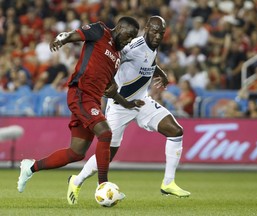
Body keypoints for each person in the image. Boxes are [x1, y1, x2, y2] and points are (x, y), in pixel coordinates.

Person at [67, 16, 191, 205]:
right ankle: (76, 181)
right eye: (155, 31)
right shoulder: (132, 47)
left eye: (161, 33)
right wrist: (108, 85)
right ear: (147, 28)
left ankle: (168, 183)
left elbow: (147, 62)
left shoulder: (152, 46)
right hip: (120, 106)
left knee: (176, 131)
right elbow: (113, 55)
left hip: (142, 102)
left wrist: (161, 73)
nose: (158, 36)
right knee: (108, 155)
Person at [17, 17, 143, 197]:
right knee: (105, 133)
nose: (129, 40)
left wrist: (126, 103)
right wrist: (63, 39)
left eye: (132, 38)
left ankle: (31, 167)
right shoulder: (101, 31)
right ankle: (103, 185)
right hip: (80, 94)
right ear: (120, 27)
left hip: (93, 100)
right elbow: (75, 35)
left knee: (76, 153)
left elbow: (110, 90)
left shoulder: (117, 56)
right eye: (128, 35)